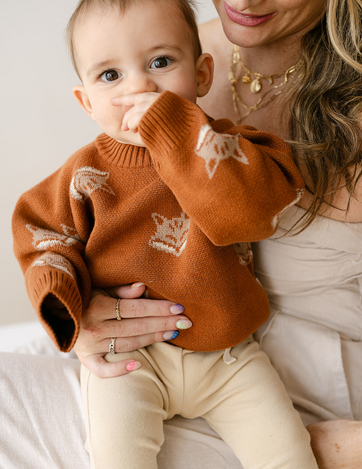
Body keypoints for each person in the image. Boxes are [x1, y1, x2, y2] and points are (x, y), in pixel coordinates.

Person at [12, 0, 321, 468]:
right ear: (86, 101)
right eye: (110, 76)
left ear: (201, 74)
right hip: (130, 359)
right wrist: (65, 306)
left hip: (229, 356)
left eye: (160, 62)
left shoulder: (229, 149)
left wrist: (174, 129)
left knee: (289, 456)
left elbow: (250, 214)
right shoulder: (85, 175)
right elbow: (42, 235)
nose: (139, 87)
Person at [68, 0, 362, 468]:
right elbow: (61, 222)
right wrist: (79, 311)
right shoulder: (164, 41)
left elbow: (241, 211)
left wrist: (356, 448)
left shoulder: (176, 68)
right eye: (112, 76)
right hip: (154, 363)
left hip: (306, 406)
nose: (245, 1)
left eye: (160, 64)